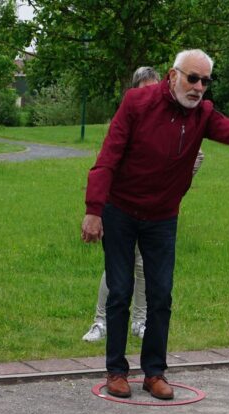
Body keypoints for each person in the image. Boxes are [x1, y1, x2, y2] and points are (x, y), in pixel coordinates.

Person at [81, 49, 229, 400]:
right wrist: (94, 210)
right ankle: (116, 371)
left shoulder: (203, 114)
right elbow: (108, 156)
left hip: (162, 216)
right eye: (193, 78)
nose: (199, 87)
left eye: (205, 81)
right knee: (119, 292)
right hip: (120, 210)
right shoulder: (137, 103)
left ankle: (154, 373)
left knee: (161, 294)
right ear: (173, 76)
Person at [82, 66, 205, 343]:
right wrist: (97, 210)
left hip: (155, 215)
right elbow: (106, 165)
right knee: (116, 272)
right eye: (145, 90)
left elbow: (190, 161)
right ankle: (100, 322)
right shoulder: (128, 120)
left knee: (143, 268)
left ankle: (140, 321)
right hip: (122, 210)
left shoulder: (169, 121)